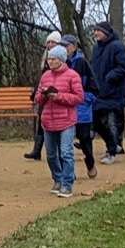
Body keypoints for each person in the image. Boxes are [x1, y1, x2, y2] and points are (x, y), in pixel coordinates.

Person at [35, 44, 84, 198]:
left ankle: (67, 184)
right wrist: (43, 95)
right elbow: (37, 99)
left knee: (66, 153)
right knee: (50, 155)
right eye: (49, 58)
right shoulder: (45, 76)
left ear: (61, 60)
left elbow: (79, 97)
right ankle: (57, 178)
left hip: (66, 121)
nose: (50, 61)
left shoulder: (73, 76)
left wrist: (59, 97)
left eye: (53, 58)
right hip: (48, 121)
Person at [90, 22, 125, 163]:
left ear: (106, 33)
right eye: (95, 31)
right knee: (97, 123)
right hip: (99, 92)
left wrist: (109, 77)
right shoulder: (96, 48)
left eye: (98, 31)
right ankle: (113, 145)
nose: (95, 33)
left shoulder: (117, 46)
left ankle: (111, 153)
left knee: (112, 124)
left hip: (114, 92)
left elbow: (124, 67)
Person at [64, 35, 99, 179]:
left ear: (73, 47)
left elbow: (94, 88)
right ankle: (69, 171)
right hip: (64, 108)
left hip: (81, 108)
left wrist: (83, 101)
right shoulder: (59, 64)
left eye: (66, 46)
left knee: (84, 138)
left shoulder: (82, 63)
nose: (64, 49)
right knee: (64, 142)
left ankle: (90, 162)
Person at [24, 32, 62, 161]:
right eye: (49, 42)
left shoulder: (60, 58)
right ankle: (37, 150)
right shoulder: (46, 59)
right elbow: (42, 79)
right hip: (45, 95)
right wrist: (36, 93)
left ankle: (58, 152)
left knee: (52, 125)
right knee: (41, 120)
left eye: (53, 42)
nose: (50, 45)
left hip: (56, 97)